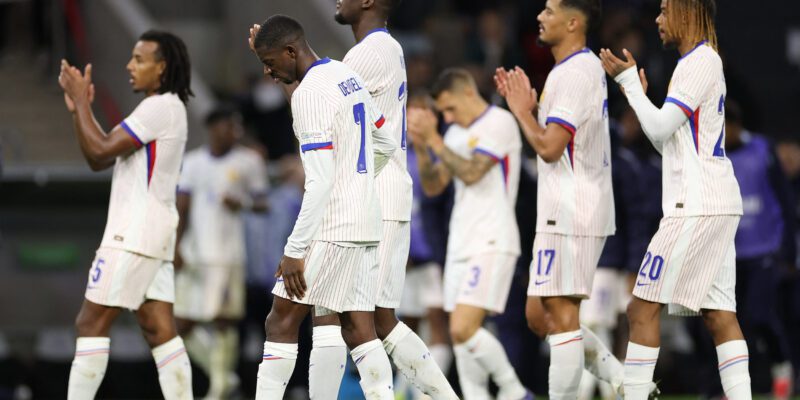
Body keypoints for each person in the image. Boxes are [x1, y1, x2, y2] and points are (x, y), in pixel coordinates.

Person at [298, 1, 457, 399]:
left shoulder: (366, 53)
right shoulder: (386, 48)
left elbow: (327, 116)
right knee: (376, 321)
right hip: (385, 195)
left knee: (347, 318)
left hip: (372, 199)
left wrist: (291, 66)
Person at [599, 0, 752, 398]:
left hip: (695, 207)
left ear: (688, 11)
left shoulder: (698, 62)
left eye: (666, 10)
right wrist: (638, 97)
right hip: (713, 201)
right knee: (720, 317)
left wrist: (630, 84)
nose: (658, 19)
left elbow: (662, 125)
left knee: (641, 307)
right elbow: (666, 140)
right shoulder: (700, 63)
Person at [494, 1, 644, 398]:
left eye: (549, 10)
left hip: (574, 208)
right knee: (538, 316)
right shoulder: (569, 72)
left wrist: (522, 112)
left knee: (561, 316)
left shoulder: (576, 72)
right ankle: (629, 388)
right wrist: (533, 109)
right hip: (559, 208)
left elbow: (550, 147)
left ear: (573, 22)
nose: (540, 17)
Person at [247, 15, 397, 399]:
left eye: (270, 62)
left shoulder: (311, 94)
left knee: (280, 319)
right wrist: (357, 181)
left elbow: (319, 182)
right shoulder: (344, 75)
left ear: (291, 51)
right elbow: (385, 144)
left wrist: (295, 251)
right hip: (365, 221)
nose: (267, 70)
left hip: (333, 226)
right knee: (355, 329)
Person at [58, 30, 194, 399]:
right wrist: (80, 111)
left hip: (132, 234)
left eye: (139, 59)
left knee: (89, 321)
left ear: (162, 68)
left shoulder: (159, 106)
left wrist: (81, 104)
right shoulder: (166, 108)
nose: (129, 65)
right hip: (154, 232)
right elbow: (95, 155)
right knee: (157, 327)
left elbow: (100, 152)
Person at [408, 68, 531, 400]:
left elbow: (474, 172)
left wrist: (433, 137)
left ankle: (515, 390)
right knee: (460, 340)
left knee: (464, 328)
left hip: (492, 238)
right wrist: (422, 148)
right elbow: (435, 187)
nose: (446, 117)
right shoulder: (453, 134)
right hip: (460, 241)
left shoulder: (499, 122)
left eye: (449, 109)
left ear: (467, 93)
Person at [173, 106, 269, 398]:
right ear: (213, 128)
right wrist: (175, 246)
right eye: (227, 126)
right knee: (181, 323)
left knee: (223, 321)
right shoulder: (192, 163)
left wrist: (243, 204)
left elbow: (263, 202)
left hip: (229, 256)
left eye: (235, 127)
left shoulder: (249, 161)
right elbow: (182, 207)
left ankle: (217, 389)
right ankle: (223, 376)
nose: (233, 132)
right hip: (195, 255)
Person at [724, 100, 795, 400]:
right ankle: (737, 386)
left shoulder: (763, 150)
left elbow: (785, 200)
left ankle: (782, 369)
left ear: (737, 125)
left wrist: (788, 251)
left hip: (763, 251)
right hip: (730, 254)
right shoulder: (715, 155)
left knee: (760, 315)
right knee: (732, 322)